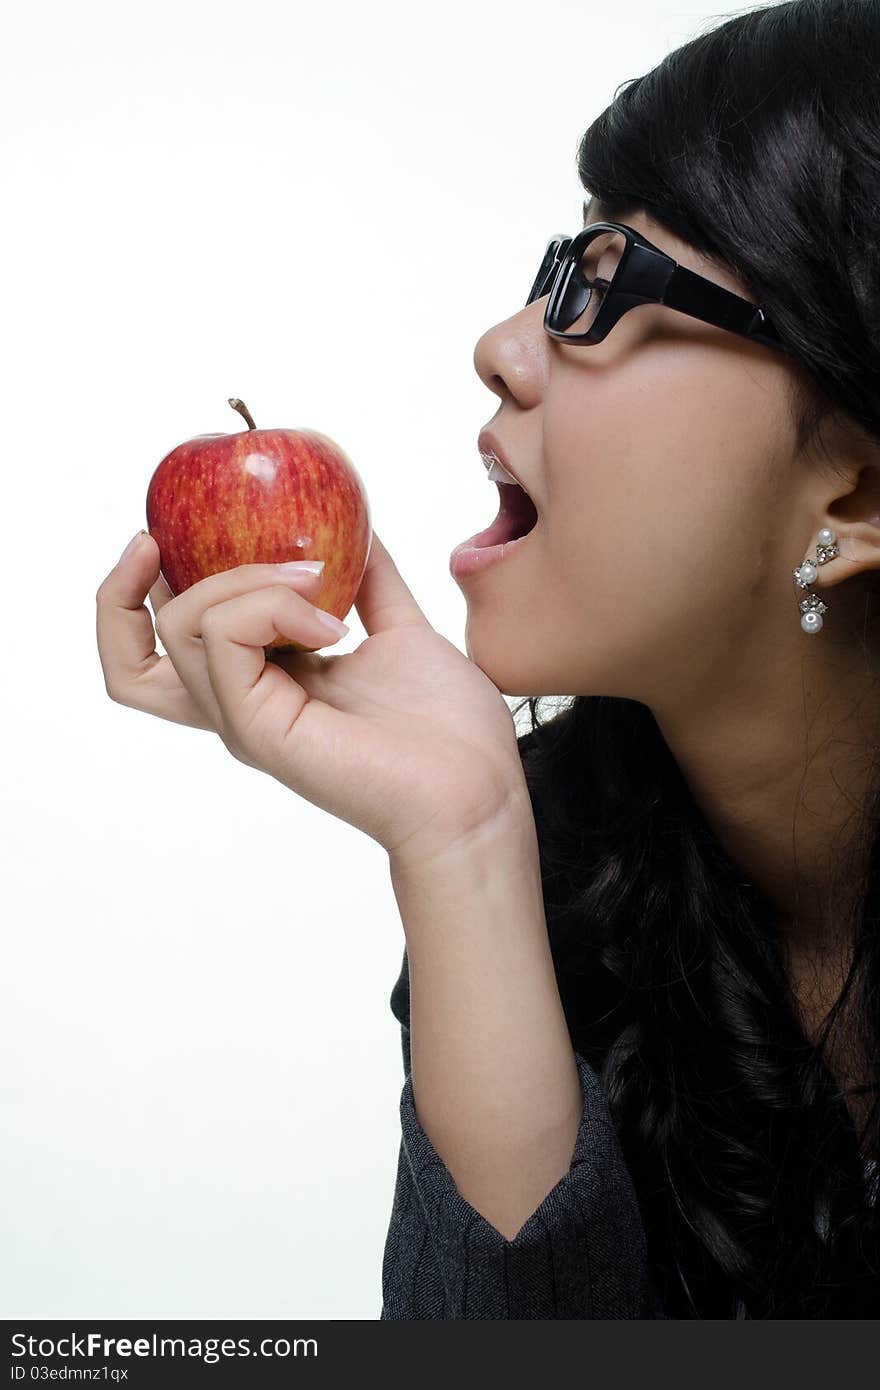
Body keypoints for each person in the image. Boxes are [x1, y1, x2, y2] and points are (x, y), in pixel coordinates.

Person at [96, 0, 880, 1319]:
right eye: (547, 269)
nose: (502, 346)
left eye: (603, 287)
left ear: (852, 498)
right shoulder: (551, 875)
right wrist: (460, 848)